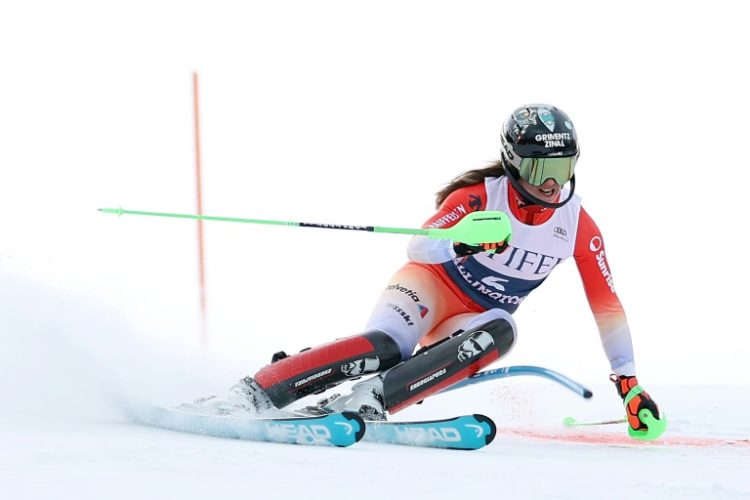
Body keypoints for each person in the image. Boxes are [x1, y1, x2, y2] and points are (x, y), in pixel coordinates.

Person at [191, 103, 662, 435]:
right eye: (542, 172)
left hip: (465, 320)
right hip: (429, 287)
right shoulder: (481, 197)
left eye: (563, 168)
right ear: (514, 164)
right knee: (387, 346)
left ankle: (371, 399)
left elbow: (607, 305)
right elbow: (418, 246)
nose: (553, 185)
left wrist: (629, 383)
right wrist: (461, 241)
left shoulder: (577, 224)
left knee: (502, 329)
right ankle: (256, 391)